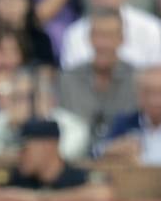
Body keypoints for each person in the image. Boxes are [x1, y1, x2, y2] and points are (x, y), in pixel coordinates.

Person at [0, 117, 111, 201]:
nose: (19, 154)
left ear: (47, 147)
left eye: (25, 148)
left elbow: (103, 195)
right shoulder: (20, 177)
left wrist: (42, 199)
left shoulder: (74, 176)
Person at [60, 0, 161, 70]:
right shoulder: (73, 34)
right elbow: (71, 80)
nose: (105, 0)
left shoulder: (152, 28)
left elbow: (156, 78)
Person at [56, 8, 138, 142]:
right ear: (89, 38)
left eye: (109, 36)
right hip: (77, 157)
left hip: (123, 159)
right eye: (98, 35)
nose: (103, 44)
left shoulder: (138, 80)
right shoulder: (68, 80)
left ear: (122, 38)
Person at [0, 65, 90, 163]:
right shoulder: (4, 120)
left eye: (26, 97)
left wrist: (13, 156)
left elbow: (60, 156)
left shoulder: (73, 125)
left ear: (45, 98)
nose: (19, 105)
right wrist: (11, 128)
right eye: (15, 98)